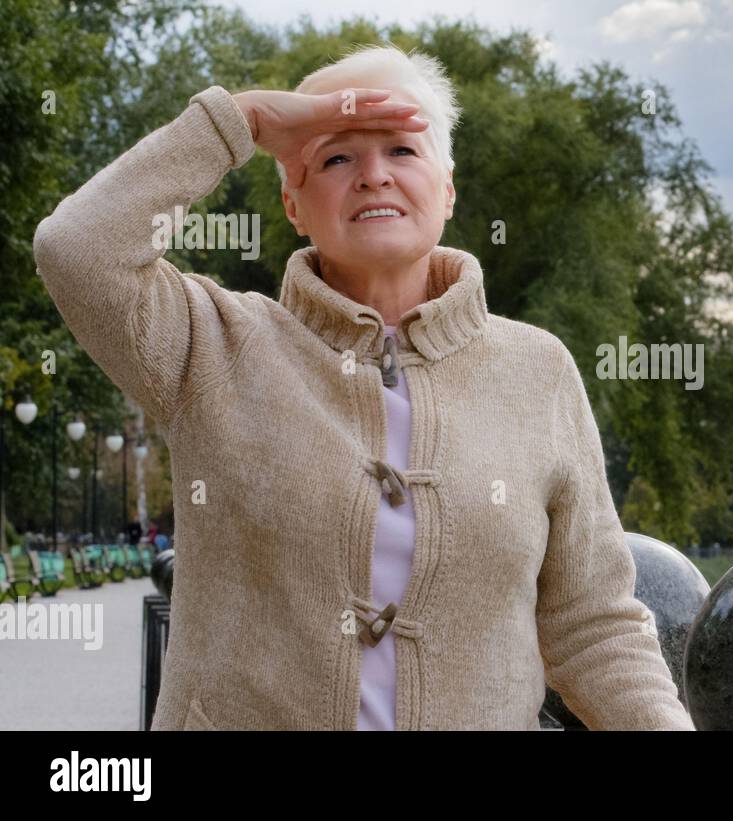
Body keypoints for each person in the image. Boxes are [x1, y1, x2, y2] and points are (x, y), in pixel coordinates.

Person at [33, 44, 692, 731]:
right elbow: (76, 250)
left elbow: (594, 625)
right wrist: (242, 121)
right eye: (336, 157)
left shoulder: (539, 371)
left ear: (448, 187)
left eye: (402, 150)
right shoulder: (212, 345)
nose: (374, 175)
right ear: (292, 202)